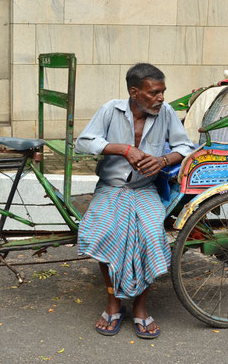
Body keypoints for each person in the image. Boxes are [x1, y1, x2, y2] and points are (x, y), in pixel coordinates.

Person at [75, 63, 194, 339]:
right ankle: (114, 303)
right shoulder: (110, 110)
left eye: (163, 91)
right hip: (111, 187)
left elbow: (185, 146)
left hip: (144, 190)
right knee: (105, 232)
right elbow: (82, 142)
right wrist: (123, 149)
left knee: (151, 236)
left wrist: (163, 160)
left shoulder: (165, 113)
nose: (161, 98)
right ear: (134, 92)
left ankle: (140, 307)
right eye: (154, 92)